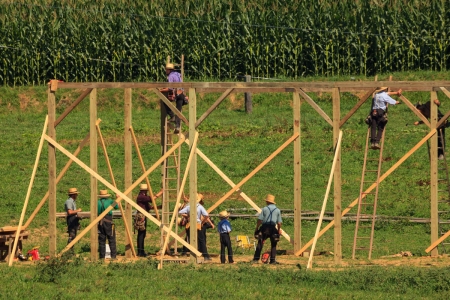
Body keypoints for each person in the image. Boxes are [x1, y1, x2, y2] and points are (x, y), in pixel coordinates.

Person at [178, 193, 211, 261]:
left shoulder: (188, 206)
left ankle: (192, 255)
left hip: (190, 224)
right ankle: (206, 256)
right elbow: (206, 215)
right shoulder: (200, 207)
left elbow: (180, 212)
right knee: (201, 240)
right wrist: (202, 222)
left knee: (190, 239)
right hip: (198, 224)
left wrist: (187, 216)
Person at [252, 194, 282, 265]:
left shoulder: (265, 209)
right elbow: (279, 222)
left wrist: (257, 228)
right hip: (272, 227)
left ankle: (256, 259)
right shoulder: (277, 210)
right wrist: (278, 230)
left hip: (264, 227)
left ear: (268, 202)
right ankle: (272, 260)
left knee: (260, 242)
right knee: (274, 244)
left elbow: (260, 219)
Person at [159, 63, 188, 134]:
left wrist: (161, 90)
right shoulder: (177, 74)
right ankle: (177, 126)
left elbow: (170, 88)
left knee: (164, 101)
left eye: (166, 70)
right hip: (181, 93)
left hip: (176, 93)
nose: (166, 71)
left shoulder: (171, 76)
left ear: (169, 70)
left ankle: (172, 116)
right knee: (178, 110)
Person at [135, 184, 159, 257]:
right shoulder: (141, 197)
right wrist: (160, 193)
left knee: (142, 234)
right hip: (141, 217)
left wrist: (158, 207)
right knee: (141, 234)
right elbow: (151, 199)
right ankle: (140, 251)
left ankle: (141, 251)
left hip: (143, 217)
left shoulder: (143, 197)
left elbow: (150, 207)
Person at [97, 189, 118, 260]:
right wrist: (117, 199)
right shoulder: (110, 201)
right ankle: (113, 256)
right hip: (108, 220)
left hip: (100, 221)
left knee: (102, 239)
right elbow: (116, 207)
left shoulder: (97, 202)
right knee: (111, 238)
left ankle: (102, 256)